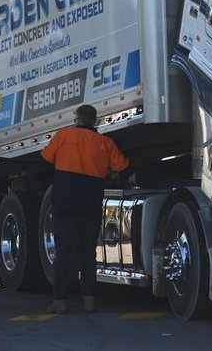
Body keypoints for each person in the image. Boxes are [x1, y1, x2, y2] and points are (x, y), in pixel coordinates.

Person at [40, 104, 129, 314]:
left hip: (65, 202)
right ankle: (89, 300)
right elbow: (121, 166)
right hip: (90, 203)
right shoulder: (105, 143)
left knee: (64, 252)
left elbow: (46, 157)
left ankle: (60, 301)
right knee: (88, 253)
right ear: (94, 121)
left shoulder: (63, 136)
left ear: (77, 120)